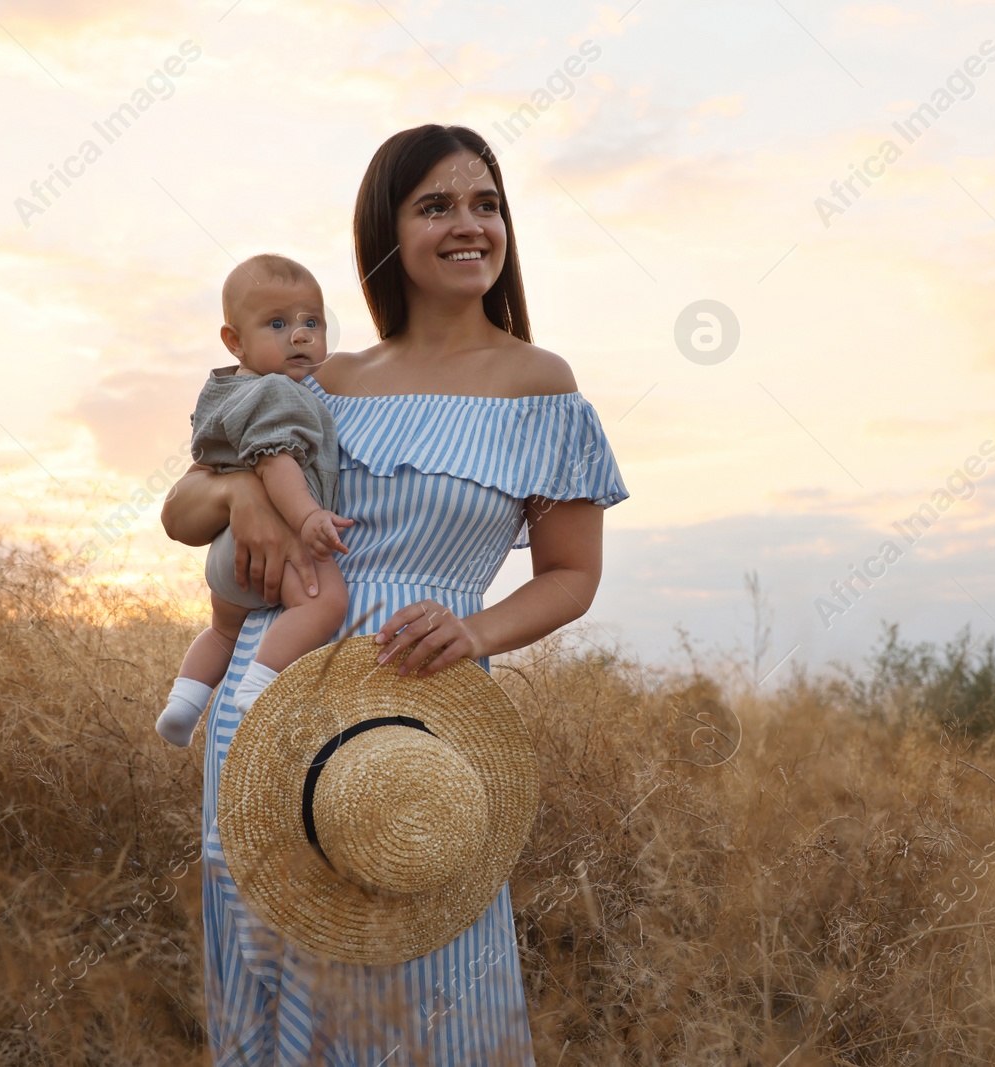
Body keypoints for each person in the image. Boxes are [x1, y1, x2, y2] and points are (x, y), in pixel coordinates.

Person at [160, 123, 630, 1065]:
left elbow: (573, 575)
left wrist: (473, 625)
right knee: (279, 985)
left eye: (487, 204)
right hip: (271, 700)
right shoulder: (321, 377)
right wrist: (242, 491)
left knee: (434, 986)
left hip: (421, 713)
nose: (470, 225)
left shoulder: (543, 389)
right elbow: (184, 506)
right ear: (390, 230)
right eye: (437, 206)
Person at [155, 254, 353, 748]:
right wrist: (307, 517)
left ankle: (183, 704)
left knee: (222, 633)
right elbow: (274, 461)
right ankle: (260, 683)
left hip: (228, 557)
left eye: (312, 322)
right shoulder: (275, 393)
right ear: (235, 340)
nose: (301, 335)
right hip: (280, 555)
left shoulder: (226, 391)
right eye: (279, 324)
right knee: (325, 602)